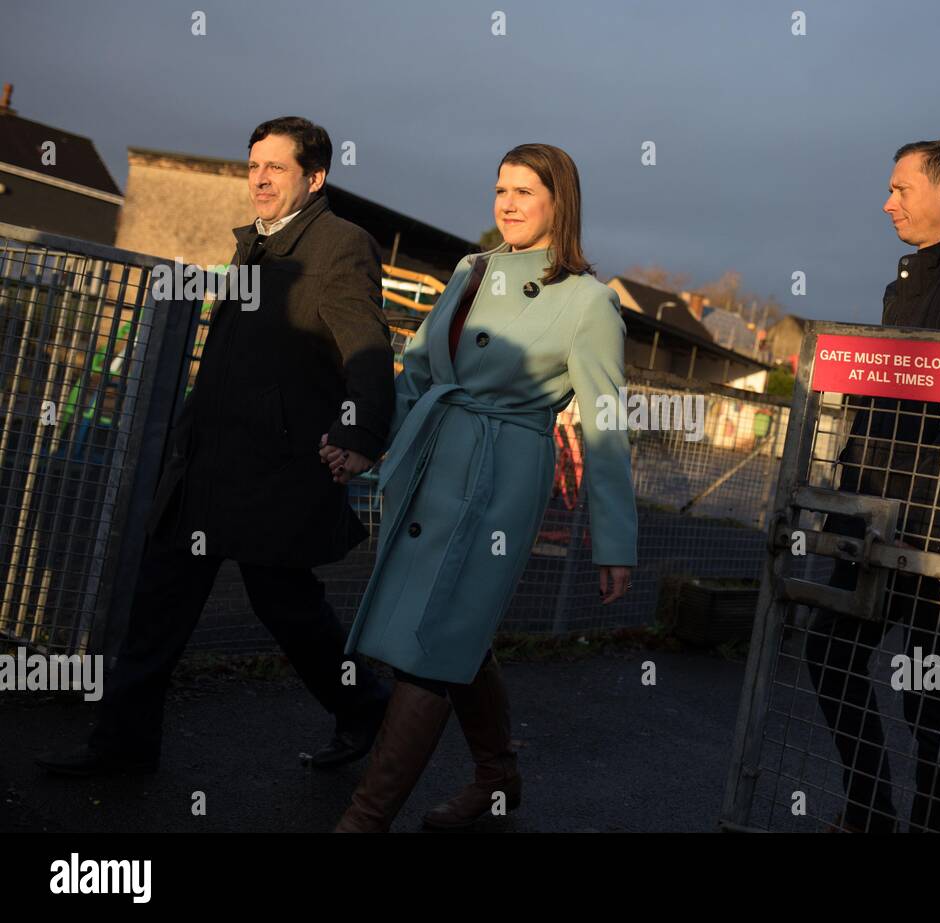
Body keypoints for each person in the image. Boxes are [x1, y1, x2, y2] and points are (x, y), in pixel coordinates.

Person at [36, 116, 394, 778]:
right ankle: (122, 748)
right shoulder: (253, 245)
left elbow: (369, 351)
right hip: (206, 465)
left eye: (275, 167)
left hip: (275, 472)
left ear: (314, 178)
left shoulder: (341, 246)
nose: (258, 178)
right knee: (158, 603)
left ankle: (366, 704)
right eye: (252, 165)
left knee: (287, 608)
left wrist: (359, 434)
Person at [328, 143, 638, 833]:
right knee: (456, 627)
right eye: (501, 188)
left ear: (560, 202)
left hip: (500, 480)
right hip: (433, 463)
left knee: (436, 636)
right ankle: (498, 775)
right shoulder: (472, 270)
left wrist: (614, 538)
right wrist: (366, 444)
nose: (507, 202)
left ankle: (363, 818)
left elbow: (607, 423)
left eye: (525, 191)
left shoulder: (588, 300)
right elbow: (415, 370)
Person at [807, 140, 940, 832]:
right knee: (830, 651)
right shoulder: (905, 283)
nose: (888, 201)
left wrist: (934, 526)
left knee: (932, 693)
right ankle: (870, 811)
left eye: (901, 188)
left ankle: (932, 825)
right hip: (874, 509)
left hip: (939, 528)